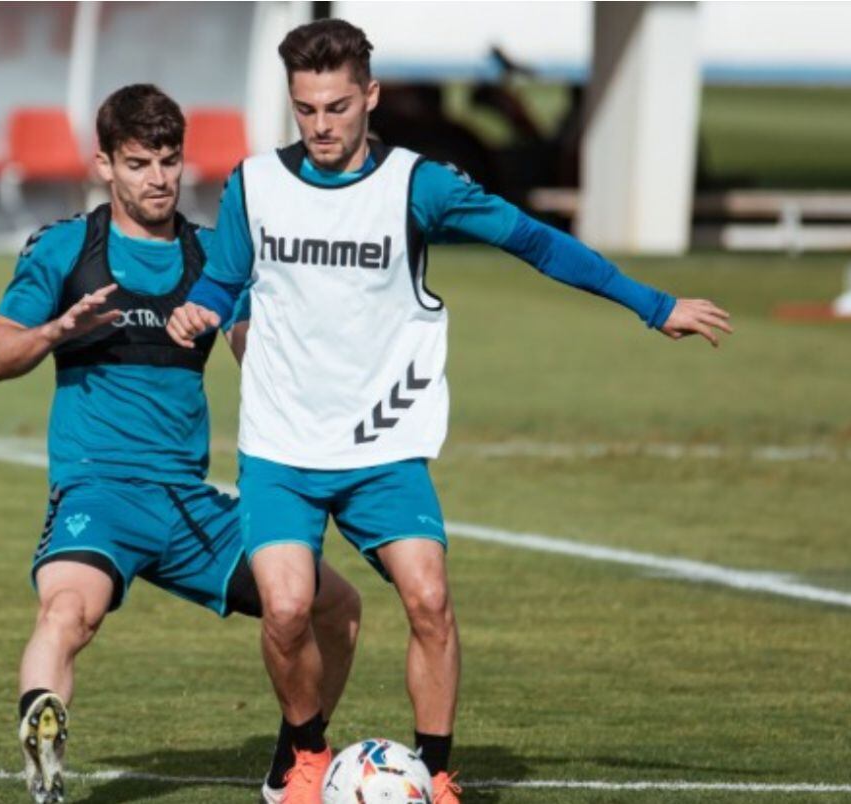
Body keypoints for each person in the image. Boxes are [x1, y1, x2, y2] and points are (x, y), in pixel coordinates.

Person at [167, 19, 732, 804]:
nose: (321, 126)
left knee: (429, 599)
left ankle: (433, 774)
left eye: (336, 107)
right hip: (281, 443)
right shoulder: (255, 184)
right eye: (305, 109)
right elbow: (224, 280)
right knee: (288, 609)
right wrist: (199, 308)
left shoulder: (418, 186)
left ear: (369, 97)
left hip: (383, 445)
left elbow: (533, 241)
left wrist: (651, 302)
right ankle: (304, 752)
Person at [0, 84, 362, 804]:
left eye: (168, 160)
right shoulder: (68, 249)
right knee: (68, 614)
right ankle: (45, 761)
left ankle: (293, 768)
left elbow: (260, 353)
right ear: (103, 165)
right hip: (101, 491)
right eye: (138, 162)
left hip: (193, 508)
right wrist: (56, 332)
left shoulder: (215, 258)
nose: (157, 178)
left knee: (333, 607)